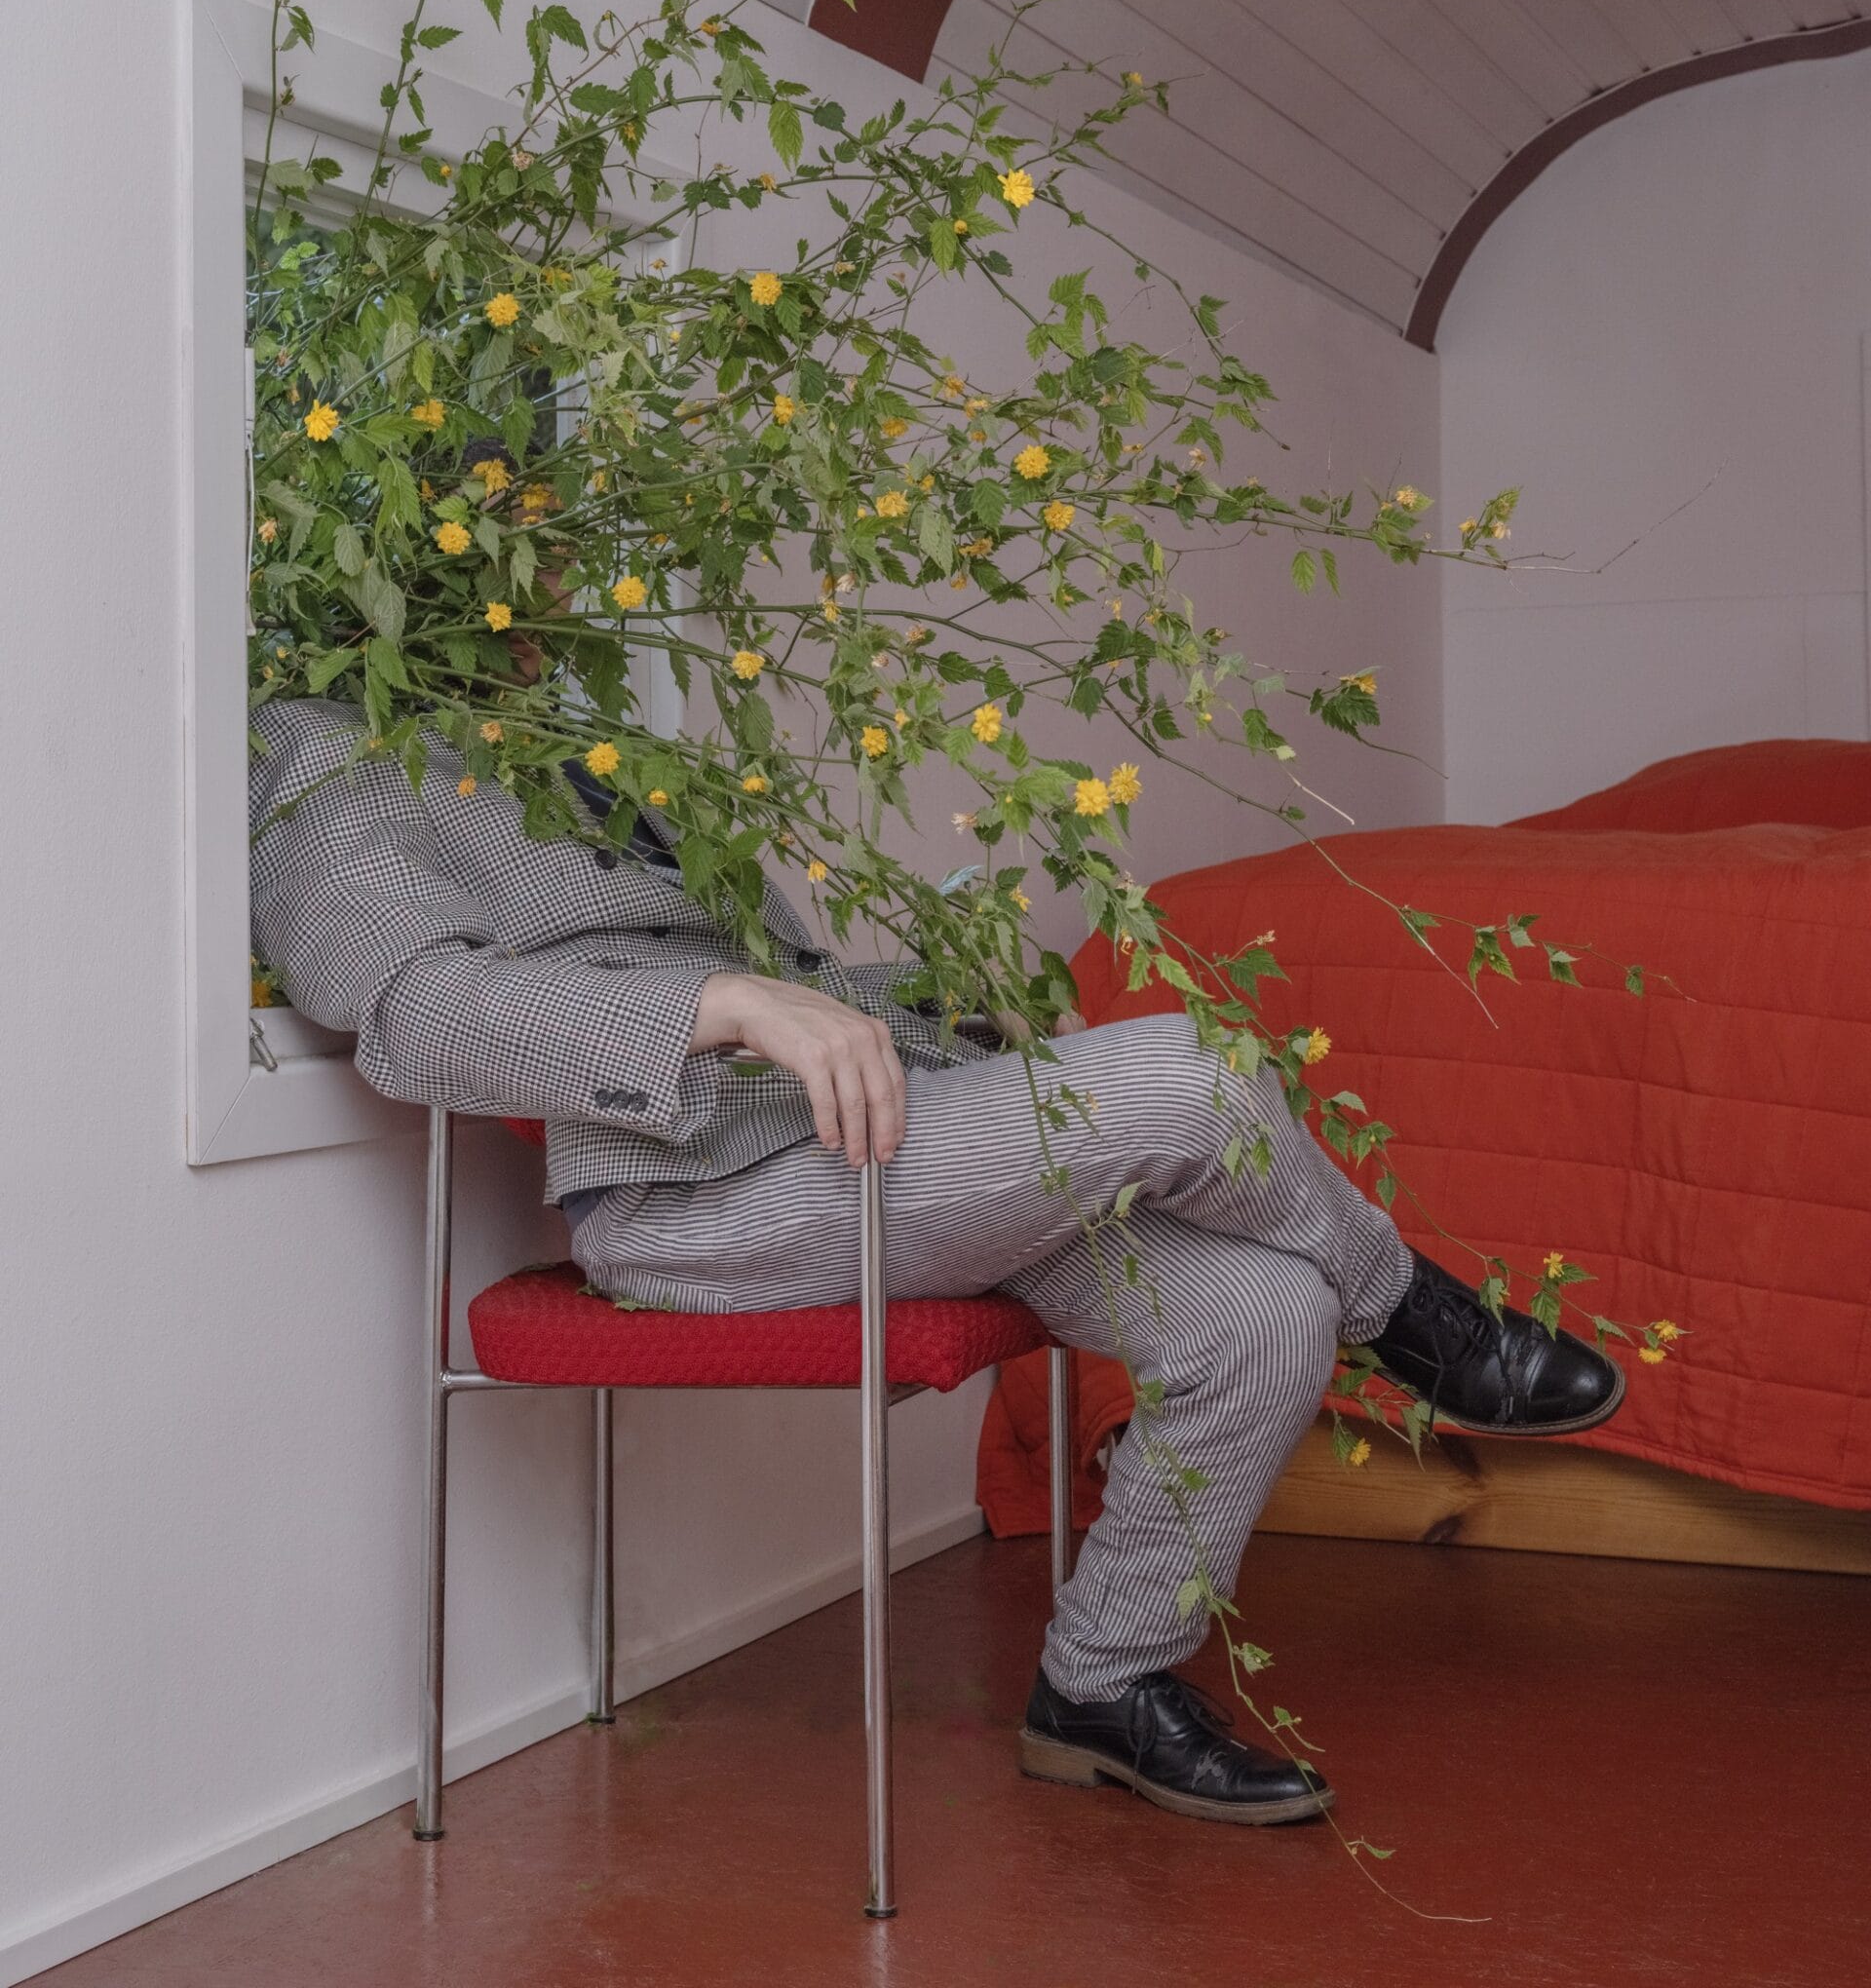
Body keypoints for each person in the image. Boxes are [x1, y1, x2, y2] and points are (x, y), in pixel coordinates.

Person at [250, 694, 1623, 1827]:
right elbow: (418, 1013)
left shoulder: (580, 731)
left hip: (874, 1145)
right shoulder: (329, 752)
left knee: (1265, 1311)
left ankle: (1102, 1685)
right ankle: (1424, 1324)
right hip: (696, 1202)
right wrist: (719, 1001)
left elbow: (783, 974)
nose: (540, 556)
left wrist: (918, 1000)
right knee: (1193, 1069)